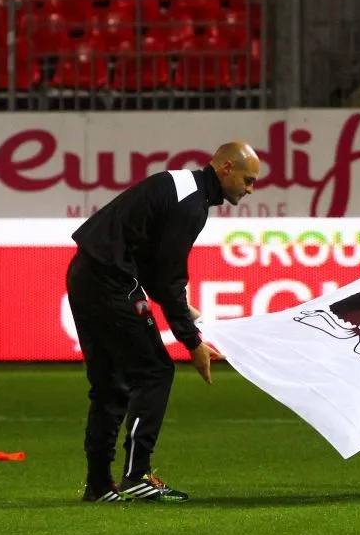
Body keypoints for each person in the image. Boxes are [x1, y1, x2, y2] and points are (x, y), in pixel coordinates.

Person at [67, 141, 260, 503]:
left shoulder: (180, 186)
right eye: (248, 180)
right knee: (155, 371)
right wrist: (193, 342)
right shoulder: (191, 205)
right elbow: (169, 279)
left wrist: (182, 309)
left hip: (85, 273)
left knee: (111, 384)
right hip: (110, 281)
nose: (250, 189)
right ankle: (136, 475)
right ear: (226, 168)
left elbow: (154, 269)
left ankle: (99, 485)